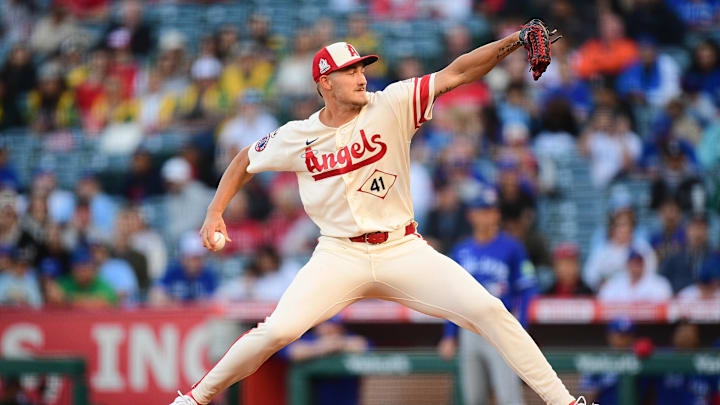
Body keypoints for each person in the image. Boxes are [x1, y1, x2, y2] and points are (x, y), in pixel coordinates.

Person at [173, 23, 581, 405]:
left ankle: (564, 402)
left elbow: (457, 72)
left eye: (362, 67)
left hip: (401, 248)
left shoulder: (392, 103)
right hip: (338, 255)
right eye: (350, 71)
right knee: (277, 331)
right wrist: (215, 211)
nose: (362, 77)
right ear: (325, 82)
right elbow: (245, 159)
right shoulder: (297, 135)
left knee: (491, 310)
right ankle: (193, 399)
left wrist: (511, 41)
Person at [436, 189, 536, 405]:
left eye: (491, 210)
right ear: (472, 215)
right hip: (469, 329)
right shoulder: (461, 250)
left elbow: (527, 289)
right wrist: (449, 335)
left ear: (497, 214)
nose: (488, 215)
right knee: (473, 398)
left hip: (499, 327)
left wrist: (523, 325)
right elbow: (451, 297)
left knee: (508, 396)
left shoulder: (512, 247)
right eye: (483, 210)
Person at [279, 317, 368, 405]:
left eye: (333, 325)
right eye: (325, 324)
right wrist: (321, 347)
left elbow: (363, 345)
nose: (329, 328)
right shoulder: (307, 339)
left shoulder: (348, 338)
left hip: (346, 399)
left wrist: (339, 344)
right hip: (312, 399)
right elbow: (293, 352)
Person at [580, 318, 636, 405]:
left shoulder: (639, 360)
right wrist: (604, 382)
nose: (625, 340)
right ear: (610, 336)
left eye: (628, 335)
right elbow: (586, 397)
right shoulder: (597, 361)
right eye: (620, 336)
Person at [598, 250, 672, 303]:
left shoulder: (659, 283)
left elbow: (665, 302)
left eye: (638, 263)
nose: (635, 267)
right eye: (632, 263)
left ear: (643, 264)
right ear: (627, 265)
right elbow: (602, 299)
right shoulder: (615, 282)